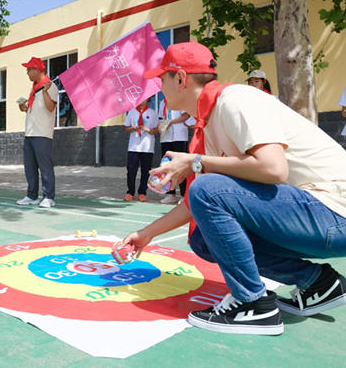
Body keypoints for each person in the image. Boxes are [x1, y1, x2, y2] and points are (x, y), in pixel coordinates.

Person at [121, 41, 346, 336]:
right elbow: (198, 202)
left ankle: (251, 303)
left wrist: (196, 163)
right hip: (317, 216)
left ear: (180, 78)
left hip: (333, 212)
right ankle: (318, 281)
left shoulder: (234, 100)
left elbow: (273, 169)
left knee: (208, 188)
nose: (159, 86)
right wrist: (145, 235)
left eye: (162, 78)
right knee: (203, 237)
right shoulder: (211, 121)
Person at [15, 57, 59, 208]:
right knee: (30, 168)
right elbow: (36, 109)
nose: (27, 73)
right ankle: (32, 196)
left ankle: (49, 197)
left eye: (29, 70)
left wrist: (46, 92)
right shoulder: (34, 87)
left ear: (37, 70)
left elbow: (51, 107)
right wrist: (24, 108)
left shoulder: (49, 86)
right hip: (30, 133)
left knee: (45, 167)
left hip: (42, 133)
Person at [123, 98, 158, 202]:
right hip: (133, 147)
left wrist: (148, 130)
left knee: (145, 171)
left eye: (144, 98)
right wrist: (134, 129)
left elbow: (156, 130)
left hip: (147, 147)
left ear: (148, 99)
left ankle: (142, 192)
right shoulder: (132, 112)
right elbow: (126, 128)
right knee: (131, 170)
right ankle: (130, 192)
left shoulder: (152, 113)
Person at [157, 97, 190, 204]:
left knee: (181, 165)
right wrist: (163, 125)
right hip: (166, 137)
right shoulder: (162, 102)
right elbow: (161, 118)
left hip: (179, 137)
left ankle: (184, 194)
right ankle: (170, 193)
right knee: (167, 165)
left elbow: (186, 116)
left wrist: (170, 122)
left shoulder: (179, 99)